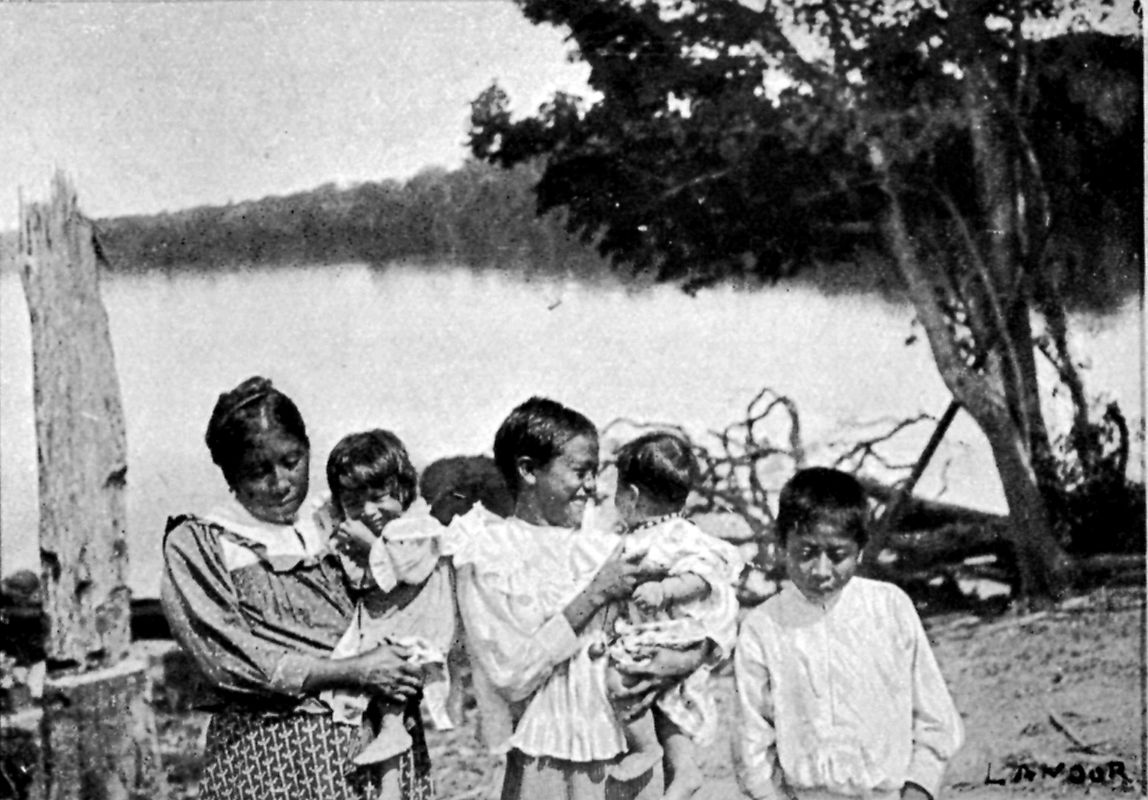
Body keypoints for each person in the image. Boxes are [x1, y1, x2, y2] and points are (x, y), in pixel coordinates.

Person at [160, 377, 432, 800]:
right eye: (258, 472)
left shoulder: (335, 520)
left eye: (292, 461)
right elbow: (229, 659)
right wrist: (356, 670)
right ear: (230, 474)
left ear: (307, 448)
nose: (280, 482)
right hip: (270, 760)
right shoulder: (203, 543)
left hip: (376, 753)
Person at [441, 397, 713, 800]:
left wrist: (685, 659)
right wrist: (595, 594)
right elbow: (511, 674)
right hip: (548, 760)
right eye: (580, 472)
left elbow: (691, 611)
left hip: (626, 758)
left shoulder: (605, 546)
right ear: (528, 470)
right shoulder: (490, 554)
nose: (592, 487)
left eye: (595, 473)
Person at [733, 467, 964, 800]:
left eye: (837, 555)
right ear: (782, 544)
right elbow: (751, 737)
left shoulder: (890, 608)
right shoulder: (763, 627)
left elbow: (935, 717)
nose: (821, 570)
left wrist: (919, 788)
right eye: (806, 553)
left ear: (860, 549)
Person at [599, 432, 743, 800]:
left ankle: (646, 748)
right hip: (652, 632)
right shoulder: (644, 535)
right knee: (668, 708)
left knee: (620, 679)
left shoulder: (673, 536)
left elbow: (705, 575)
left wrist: (665, 589)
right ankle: (685, 770)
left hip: (670, 632)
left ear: (631, 495)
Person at [319, 429, 458, 766]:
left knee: (393, 672)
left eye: (379, 497)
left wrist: (368, 545)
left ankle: (393, 730)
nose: (369, 511)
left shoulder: (418, 525)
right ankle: (383, 754)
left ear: (403, 489)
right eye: (354, 503)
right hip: (391, 617)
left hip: (420, 619)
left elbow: (410, 570)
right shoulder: (374, 528)